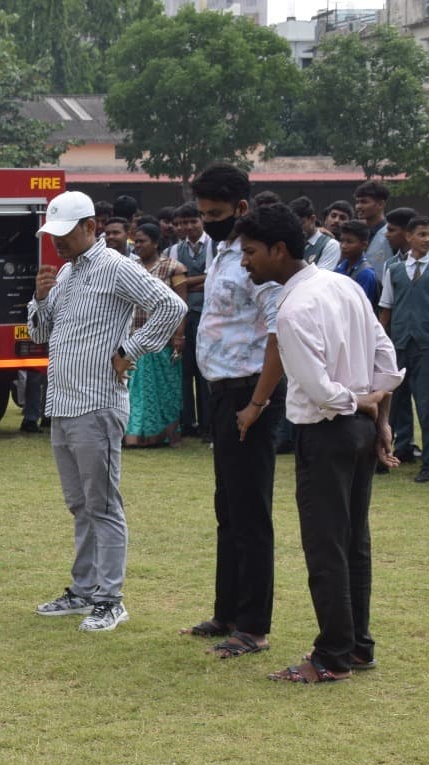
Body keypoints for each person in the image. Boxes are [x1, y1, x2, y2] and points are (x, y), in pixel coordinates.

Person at [233, 202, 403, 684]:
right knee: (354, 542)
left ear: (278, 250)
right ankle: (357, 647)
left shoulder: (293, 307)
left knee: (327, 547)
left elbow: (321, 390)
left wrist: (365, 403)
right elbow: (386, 359)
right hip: (357, 427)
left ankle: (331, 656)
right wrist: (377, 409)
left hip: (329, 430)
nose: (245, 262)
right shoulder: (344, 285)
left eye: (249, 252)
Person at [26, 190, 185, 633]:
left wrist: (129, 349)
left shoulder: (115, 266)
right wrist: (39, 298)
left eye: (65, 233)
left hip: (96, 402)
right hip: (64, 401)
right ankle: (84, 590)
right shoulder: (67, 273)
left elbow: (171, 305)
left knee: (103, 504)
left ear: (90, 227)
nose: (56, 242)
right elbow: (41, 332)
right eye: (52, 234)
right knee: (81, 504)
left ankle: (110, 599)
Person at [182, 163, 285, 658]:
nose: (206, 221)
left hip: (249, 393)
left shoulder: (257, 259)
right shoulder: (220, 249)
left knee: (250, 510)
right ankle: (227, 611)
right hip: (222, 391)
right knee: (228, 507)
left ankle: (253, 625)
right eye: (202, 213)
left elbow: (278, 336)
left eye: (215, 213)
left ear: (241, 209)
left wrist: (257, 402)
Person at [378, 215, 429, 482]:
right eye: (422, 234)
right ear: (409, 237)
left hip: (427, 344)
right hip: (399, 342)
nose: (427, 239)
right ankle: (385, 455)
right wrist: (380, 341)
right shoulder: (393, 269)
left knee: (427, 405)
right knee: (391, 405)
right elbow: (386, 307)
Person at [124, 222, 186, 448]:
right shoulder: (130, 267)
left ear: (156, 243)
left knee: (166, 391)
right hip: (135, 338)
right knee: (137, 391)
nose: (137, 245)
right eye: (136, 241)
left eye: (142, 241)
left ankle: (166, 435)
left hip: (164, 341)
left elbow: (181, 304)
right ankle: (136, 436)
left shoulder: (173, 268)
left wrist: (180, 336)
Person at [168, 202, 211, 439]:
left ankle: (207, 424)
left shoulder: (213, 245)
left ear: (201, 221)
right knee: (184, 372)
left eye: (192, 221)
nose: (188, 227)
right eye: (183, 223)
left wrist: (186, 282)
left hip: (207, 316)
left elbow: (212, 279)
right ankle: (187, 423)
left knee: (205, 372)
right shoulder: (174, 250)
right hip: (184, 316)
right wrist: (200, 281)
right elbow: (175, 284)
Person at [335, 221, 381, 307]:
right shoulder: (340, 267)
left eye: (349, 242)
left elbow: (361, 307)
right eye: (341, 241)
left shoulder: (365, 274)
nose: (343, 246)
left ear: (364, 245)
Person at [355, 180, 394, 276]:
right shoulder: (357, 232)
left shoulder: (390, 234)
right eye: (358, 202)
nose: (358, 206)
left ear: (381, 204)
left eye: (364, 202)